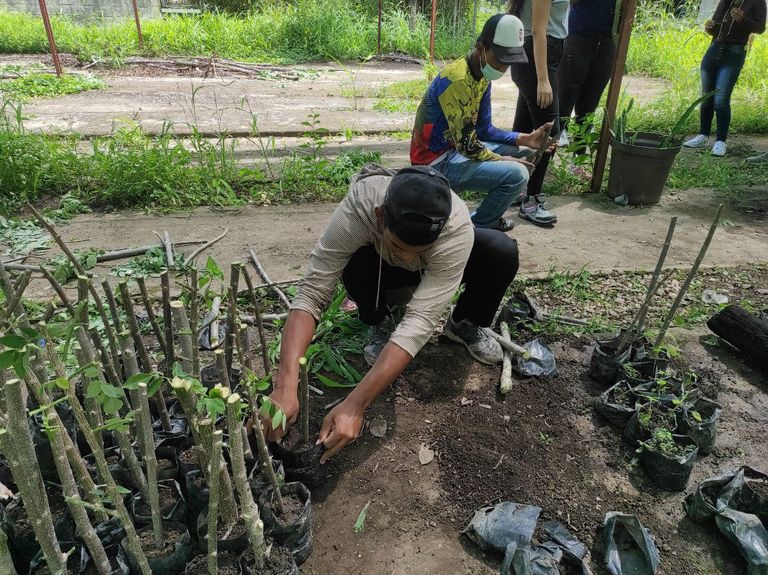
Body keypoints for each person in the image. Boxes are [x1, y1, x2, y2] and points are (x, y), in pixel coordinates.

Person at [259, 165, 520, 463]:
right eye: (399, 245)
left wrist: (355, 404)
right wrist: (285, 385)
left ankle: (463, 325)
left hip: (432, 274)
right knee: (355, 261)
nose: (407, 256)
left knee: (501, 251)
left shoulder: (455, 230)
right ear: (381, 215)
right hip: (379, 270)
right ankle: (378, 319)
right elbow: (312, 291)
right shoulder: (361, 206)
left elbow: (419, 323)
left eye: (418, 249)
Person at [410, 13, 553, 232]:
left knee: (522, 152)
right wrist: (501, 159)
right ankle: (476, 227)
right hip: (434, 164)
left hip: (455, 151)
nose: (503, 68)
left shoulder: (482, 76)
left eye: (509, 63)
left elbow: (483, 129)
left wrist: (525, 139)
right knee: (518, 174)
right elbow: (468, 145)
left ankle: (483, 218)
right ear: (480, 48)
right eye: (500, 60)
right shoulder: (457, 80)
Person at [507, 0, 571, 226]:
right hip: (538, 56)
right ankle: (532, 199)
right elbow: (538, 30)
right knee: (549, 133)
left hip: (540, 55)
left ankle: (513, 189)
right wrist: (543, 79)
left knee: (524, 129)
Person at [683, 0, 766, 157]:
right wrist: (710, 28)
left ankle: (721, 141)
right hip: (714, 49)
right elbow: (715, 27)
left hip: (734, 53)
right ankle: (703, 136)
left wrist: (743, 20)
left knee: (721, 99)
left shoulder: (757, 1)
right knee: (707, 97)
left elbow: (761, 28)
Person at [557, 0, 618, 177]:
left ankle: (578, 163)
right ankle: (543, 163)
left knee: (588, 108)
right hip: (577, 38)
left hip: (606, 42)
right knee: (563, 106)